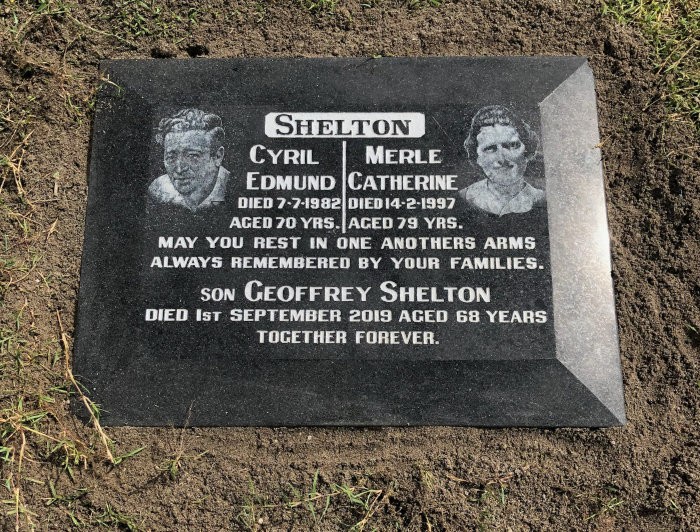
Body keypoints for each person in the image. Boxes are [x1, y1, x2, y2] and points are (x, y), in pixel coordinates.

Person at [457, 105, 544, 217]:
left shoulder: (545, 200)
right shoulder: (462, 199)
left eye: (512, 145)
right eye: (490, 148)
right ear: (477, 158)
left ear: (527, 150)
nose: (502, 158)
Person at [148, 108, 230, 212]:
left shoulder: (233, 187)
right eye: (171, 157)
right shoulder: (159, 189)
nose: (179, 169)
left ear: (218, 156)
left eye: (192, 156)